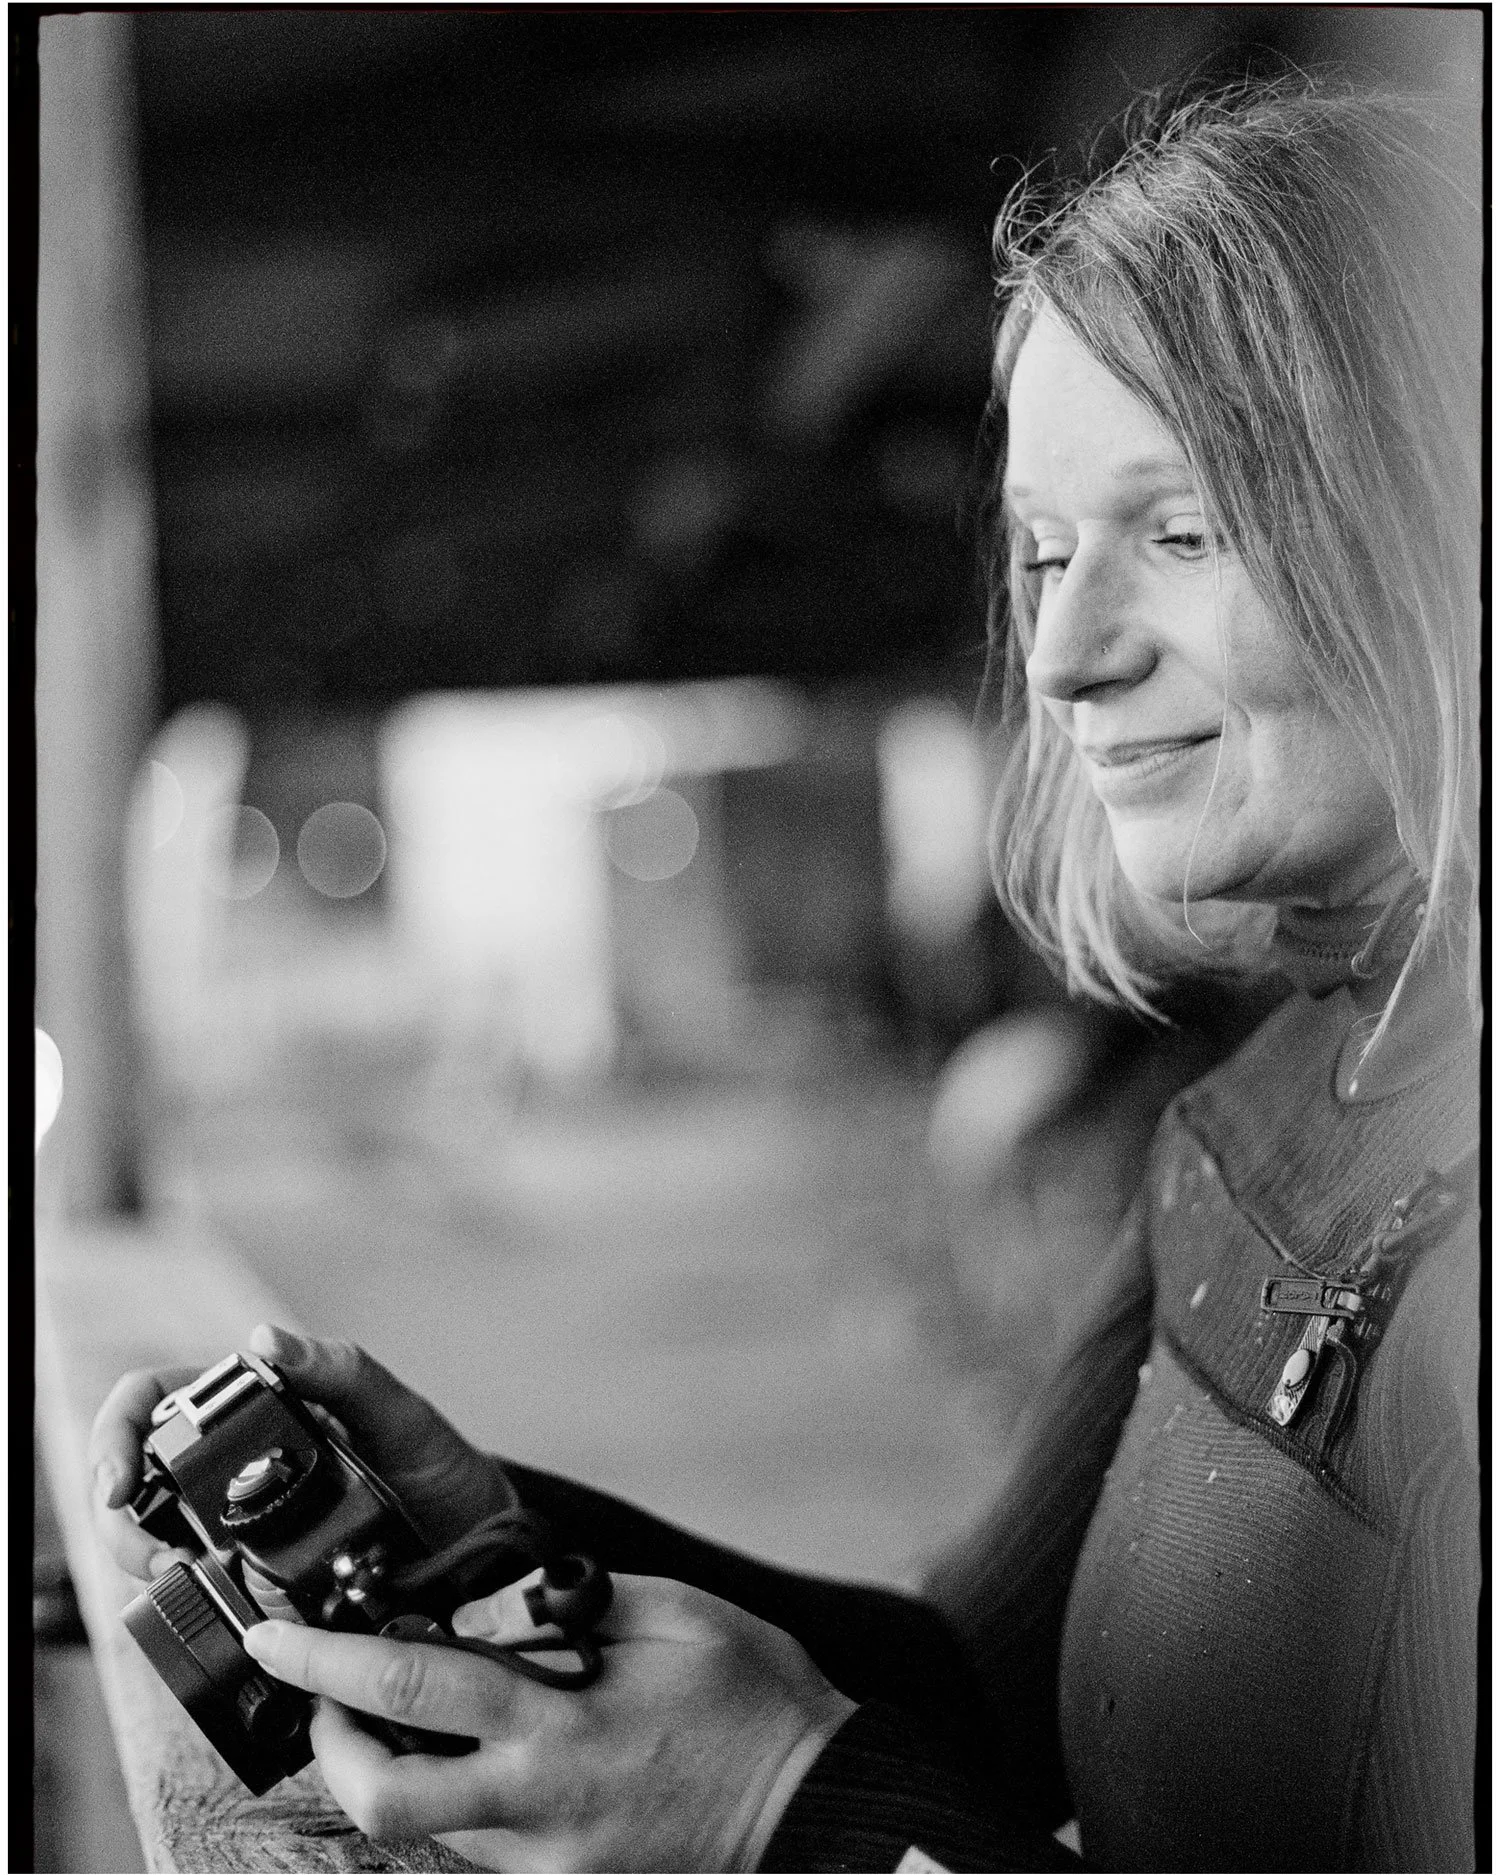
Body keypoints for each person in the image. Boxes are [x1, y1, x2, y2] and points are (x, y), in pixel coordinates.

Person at [91, 76, 1481, 1872]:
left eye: (1185, 530)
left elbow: (861, 1764)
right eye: (1047, 550)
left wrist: (782, 1810)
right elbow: (970, 1686)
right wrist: (489, 1539)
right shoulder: (1277, 1100)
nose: (1058, 654)